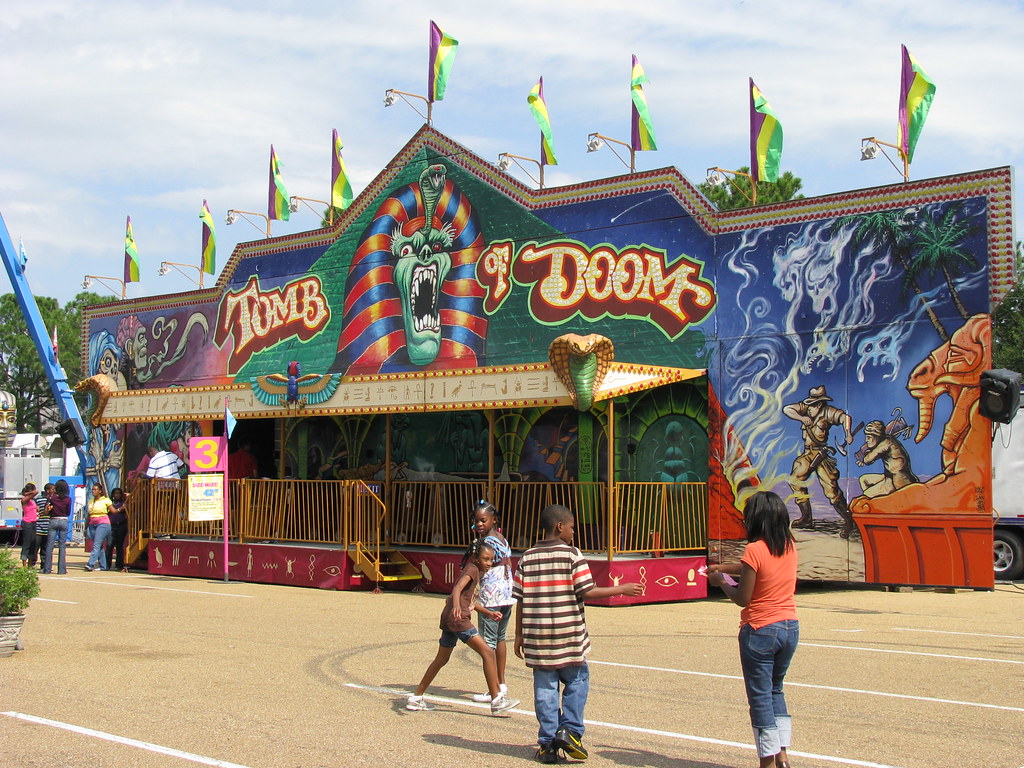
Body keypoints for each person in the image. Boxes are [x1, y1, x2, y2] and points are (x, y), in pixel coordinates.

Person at [513, 504, 642, 764]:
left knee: (545, 689)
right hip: (569, 634)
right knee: (577, 680)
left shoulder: (527, 557)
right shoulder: (572, 554)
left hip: (538, 637)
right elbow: (587, 591)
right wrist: (621, 589)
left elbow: (521, 600)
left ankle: (548, 743)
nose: (574, 531)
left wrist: (519, 635)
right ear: (560, 526)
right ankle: (570, 730)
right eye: (572, 526)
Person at [708, 491, 799, 768]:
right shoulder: (788, 544)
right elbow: (754, 567)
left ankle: (766, 762)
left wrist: (722, 580)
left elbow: (742, 597)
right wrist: (725, 567)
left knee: (759, 696)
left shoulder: (754, 548)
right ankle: (782, 755)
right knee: (776, 690)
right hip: (789, 625)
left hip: (760, 627)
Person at [407, 540, 521, 716]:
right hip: (458, 620)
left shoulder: (476, 570)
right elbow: (457, 589)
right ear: (476, 558)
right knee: (487, 652)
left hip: (451, 619)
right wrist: (456, 606)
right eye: (485, 559)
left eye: (491, 559)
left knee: (441, 660)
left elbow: (470, 602)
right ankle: (497, 698)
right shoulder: (473, 569)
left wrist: (488, 613)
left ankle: (416, 698)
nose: (489, 563)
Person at [782, 385, 855, 535]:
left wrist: (847, 432)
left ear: (820, 403)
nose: (811, 407)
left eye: (814, 403)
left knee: (831, 489)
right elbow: (787, 409)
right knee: (795, 480)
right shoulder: (805, 408)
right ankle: (806, 518)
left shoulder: (828, 412)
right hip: (808, 453)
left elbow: (845, 418)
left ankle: (849, 521)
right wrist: (802, 418)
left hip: (820, 454)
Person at [468, 501, 516, 705]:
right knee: (500, 639)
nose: (479, 524)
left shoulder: (485, 543)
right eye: (476, 521)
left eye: (483, 520)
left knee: (488, 643)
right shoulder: (501, 539)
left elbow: (477, 567)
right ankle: (501, 684)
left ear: (494, 520)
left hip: (491, 597)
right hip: (506, 593)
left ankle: (494, 689)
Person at [42, 479, 72, 575]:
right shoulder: (68, 499)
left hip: (53, 519)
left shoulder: (52, 498)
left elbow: (46, 510)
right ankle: (61, 569)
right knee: (62, 545)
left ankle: (47, 569)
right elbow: (68, 512)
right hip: (63, 520)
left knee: (50, 545)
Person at [84, 483, 114, 572]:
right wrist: (86, 528)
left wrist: (121, 508)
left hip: (103, 523)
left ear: (100, 491)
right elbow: (88, 516)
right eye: (92, 489)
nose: (93, 491)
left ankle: (90, 564)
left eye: (95, 489)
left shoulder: (106, 500)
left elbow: (113, 511)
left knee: (96, 544)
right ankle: (103, 566)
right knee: (99, 546)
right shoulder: (90, 501)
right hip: (92, 523)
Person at [107, 487, 130, 571]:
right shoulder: (110, 503)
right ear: (113, 495)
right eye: (116, 493)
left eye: (119, 493)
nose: (117, 495)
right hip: (111, 526)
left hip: (121, 525)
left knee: (119, 546)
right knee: (110, 545)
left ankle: (119, 564)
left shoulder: (124, 503)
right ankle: (107, 564)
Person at [19, 483, 40, 568]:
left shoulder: (32, 501)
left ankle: (30, 564)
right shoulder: (24, 500)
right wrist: (27, 493)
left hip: (34, 522)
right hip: (27, 523)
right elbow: (36, 492)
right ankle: (24, 564)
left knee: (33, 543)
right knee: (26, 543)